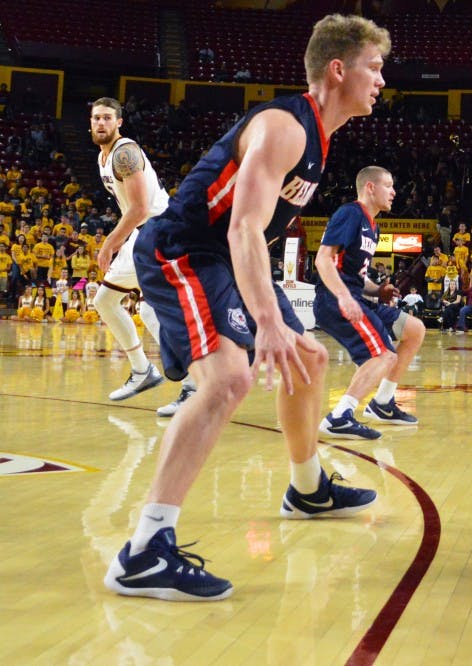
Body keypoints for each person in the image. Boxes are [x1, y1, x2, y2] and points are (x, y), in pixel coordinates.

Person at [103, 14, 389, 602]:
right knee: (229, 379)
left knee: (308, 360)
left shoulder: (319, 138)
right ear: (339, 69)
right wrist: (266, 319)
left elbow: (257, 231)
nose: (383, 80)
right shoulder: (285, 127)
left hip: (224, 260)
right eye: (375, 67)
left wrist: (276, 314)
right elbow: (242, 228)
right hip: (186, 250)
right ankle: (143, 551)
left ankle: (307, 489)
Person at [89, 97, 196, 417]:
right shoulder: (102, 156)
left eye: (108, 118)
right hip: (143, 235)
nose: (101, 123)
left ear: (119, 122)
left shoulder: (125, 152)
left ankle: (193, 386)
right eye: (96, 118)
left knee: (154, 311)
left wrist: (109, 244)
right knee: (105, 301)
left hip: (161, 232)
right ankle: (142, 371)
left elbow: (138, 208)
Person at [313, 166, 424, 440]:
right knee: (383, 356)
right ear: (370, 188)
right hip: (334, 299)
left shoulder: (373, 226)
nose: (394, 192)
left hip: (355, 296)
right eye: (388, 185)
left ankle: (382, 404)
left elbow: (355, 276)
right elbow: (323, 259)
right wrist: (342, 297)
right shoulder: (350, 214)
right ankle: (339, 416)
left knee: (414, 329)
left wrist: (378, 291)